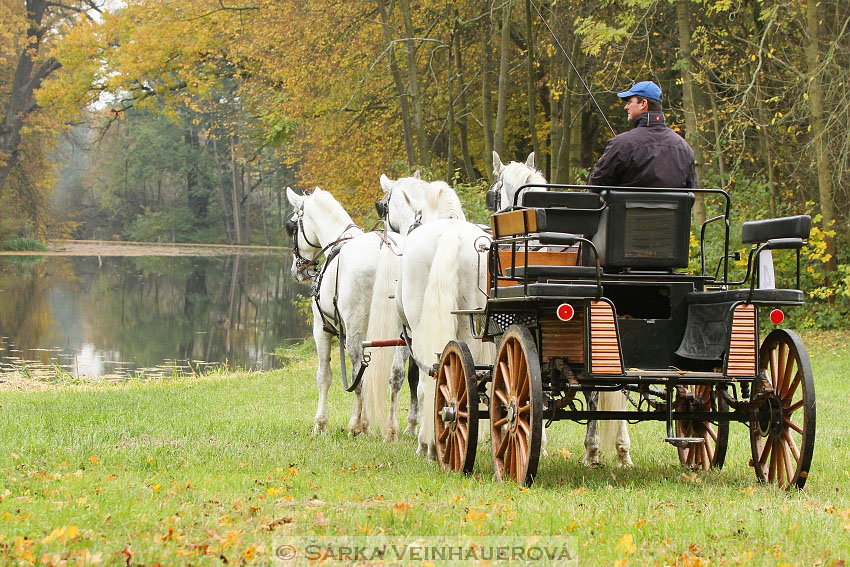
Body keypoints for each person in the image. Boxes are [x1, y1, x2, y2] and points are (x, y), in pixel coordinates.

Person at [588, 81, 696, 189]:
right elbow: (690, 193)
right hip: (674, 206)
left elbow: (595, 186)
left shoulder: (620, 144)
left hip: (625, 206)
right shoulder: (685, 149)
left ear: (643, 104)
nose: (626, 107)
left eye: (630, 102)